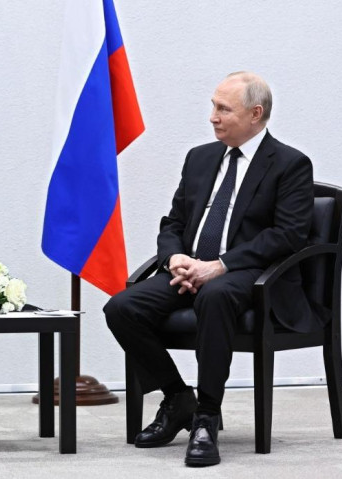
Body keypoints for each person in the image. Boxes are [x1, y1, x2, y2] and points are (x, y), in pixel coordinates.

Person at [103, 72, 319, 467]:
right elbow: (173, 222)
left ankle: (206, 416)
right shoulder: (199, 158)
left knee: (215, 296)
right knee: (121, 307)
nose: (213, 117)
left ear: (255, 114)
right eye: (213, 107)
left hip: (250, 273)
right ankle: (177, 397)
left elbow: (287, 236)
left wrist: (220, 265)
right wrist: (174, 259)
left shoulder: (290, 164)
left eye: (223, 109)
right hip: (190, 269)